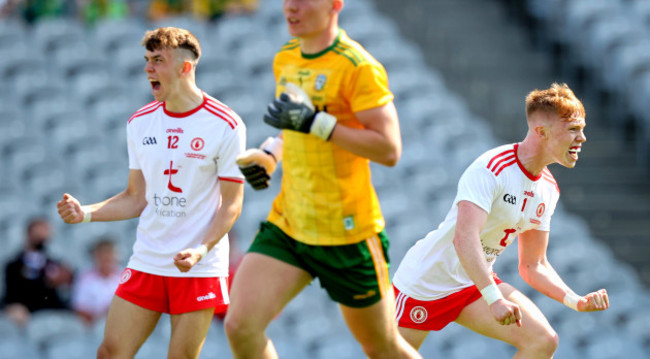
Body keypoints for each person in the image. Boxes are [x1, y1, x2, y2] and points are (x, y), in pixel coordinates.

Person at [224, 1, 422, 358]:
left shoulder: (357, 66)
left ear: (335, 4)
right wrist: (271, 154)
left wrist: (318, 122)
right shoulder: (285, 57)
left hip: (346, 233)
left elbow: (389, 149)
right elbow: (294, 127)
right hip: (290, 223)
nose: (291, 7)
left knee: (383, 348)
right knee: (240, 326)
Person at [56, 27, 246, 359]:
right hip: (148, 259)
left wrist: (201, 250)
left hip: (197, 266)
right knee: (110, 352)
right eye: (147, 60)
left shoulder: (226, 124)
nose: (148, 69)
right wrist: (85, 213)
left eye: (158, 60)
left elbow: (232, 204)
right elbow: (135, 197)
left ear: (185, 67)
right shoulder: (139, 123)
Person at [391, 83, 610, 357]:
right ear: (542, 132)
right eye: (573, 129)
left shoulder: (548, 188)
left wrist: (575, 300)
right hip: (426, 281)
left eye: (583, 129)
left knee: (543, 341)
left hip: (473, 284)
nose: (583, 138)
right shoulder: (492, 168)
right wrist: (494, 299)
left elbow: (533, 265)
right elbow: (464, 238)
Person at [2, 217, 73, 327]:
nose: (42, 237)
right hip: (25, 310)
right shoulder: (13, 265)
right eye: (38, 232)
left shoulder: (55, 264)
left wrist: (65, 281)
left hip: (50, 309)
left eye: (45, 232)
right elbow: (12, 294)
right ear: (29, 234)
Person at [71, 237, 122, 325]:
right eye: (103, 254)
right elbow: (80, 309)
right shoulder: (85, 278)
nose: (107, 258)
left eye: (109, 254)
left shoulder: (125, 277)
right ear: (96, 257)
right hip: (93, 327)